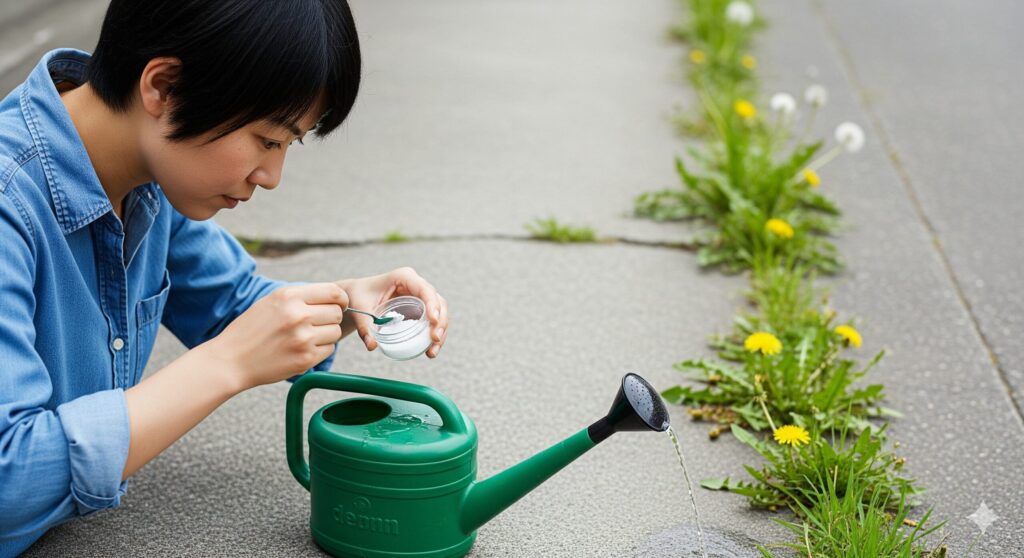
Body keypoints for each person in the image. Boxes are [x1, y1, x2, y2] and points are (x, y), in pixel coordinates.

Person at [0, 1, 449, 554]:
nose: (272, 176)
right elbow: (9, 479)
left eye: (291, 144)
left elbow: (236, 307)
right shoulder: (8, 204)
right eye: (267, 139)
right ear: (163, 87)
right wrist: (225, 363)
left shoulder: (146, 174)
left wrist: (348, 304)